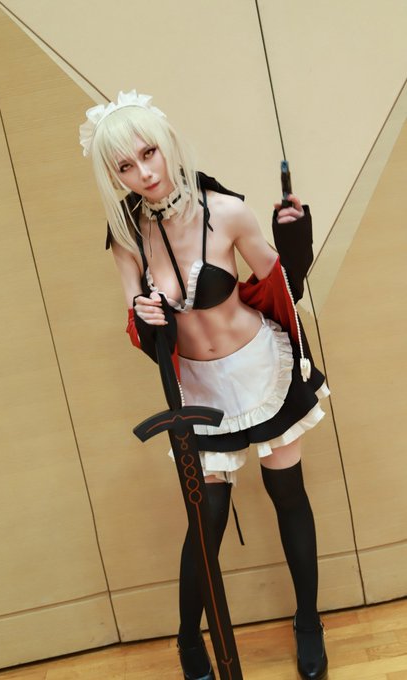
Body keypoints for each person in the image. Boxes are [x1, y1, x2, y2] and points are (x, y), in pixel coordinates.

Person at [80, 90, 329, 680]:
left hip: (261, 370)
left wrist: (295, 239)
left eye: (149, 154)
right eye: (126, 166)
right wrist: (146, 316)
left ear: (168, 145)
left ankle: (308, 621)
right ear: (113, 175)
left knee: (287, 494)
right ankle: (189, 639)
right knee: (206, 516)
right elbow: (138, 326)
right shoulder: (126, 235)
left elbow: (284, 287)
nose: (145, 174)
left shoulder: (228, 211)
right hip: (198, 392)